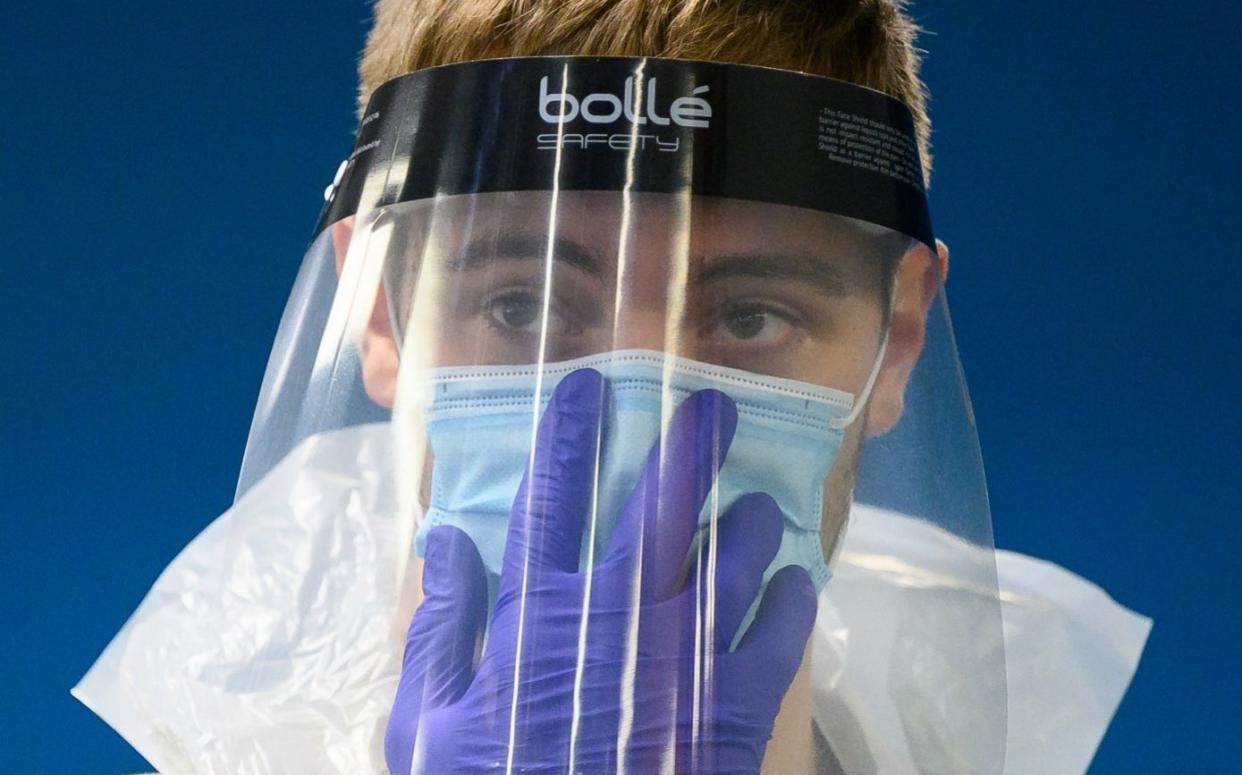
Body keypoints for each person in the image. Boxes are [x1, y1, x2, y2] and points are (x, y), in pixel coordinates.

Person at [72, 3, 1151, 774]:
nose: (637, 424)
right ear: (383, 312)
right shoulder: (237, 727)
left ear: (900, 334)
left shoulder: (963, 728)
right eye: (524, 307)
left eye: (748, 316)